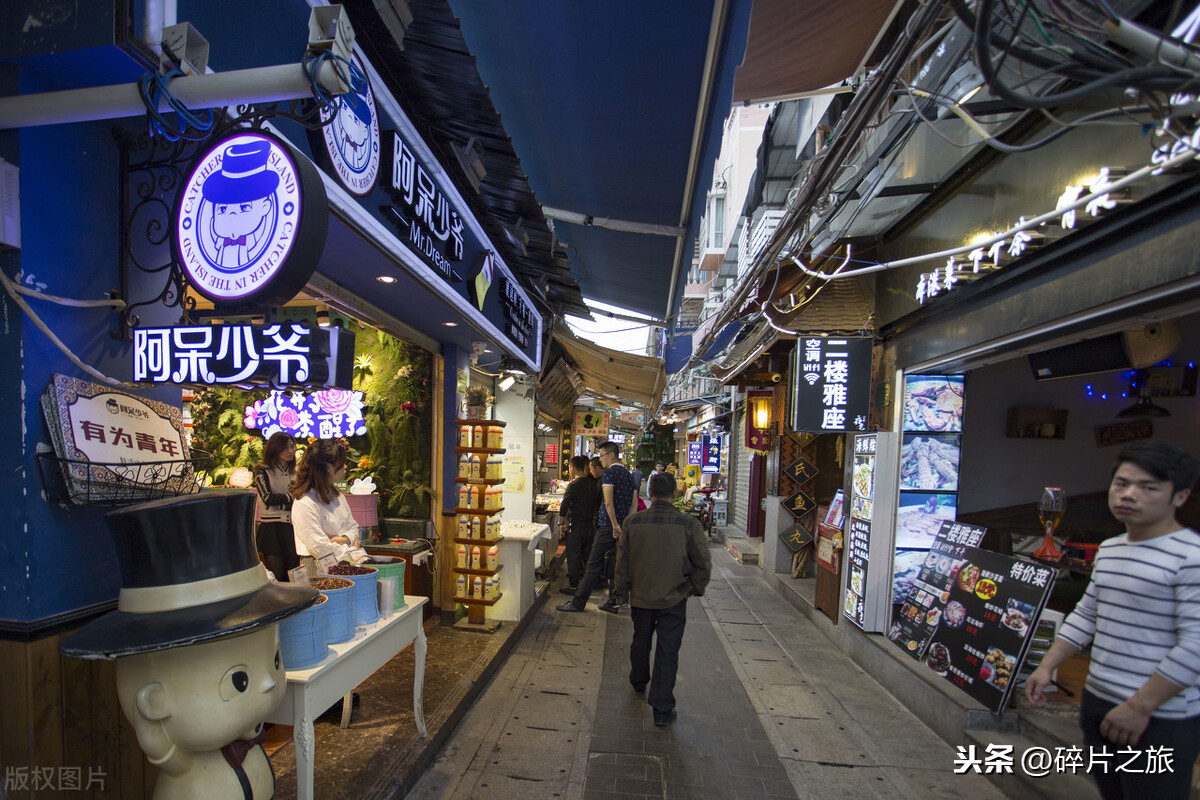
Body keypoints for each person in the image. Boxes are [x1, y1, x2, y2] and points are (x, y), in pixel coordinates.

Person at [1026, 441, 1200, 800]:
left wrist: (1140, 707)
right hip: (1099, 701)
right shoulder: (1111, 549)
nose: (1129, 495)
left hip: (1158, 716)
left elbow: (1195, 647)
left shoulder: (1191, 557)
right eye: (1122, 484)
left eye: (1148, 488)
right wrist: (1048, 666)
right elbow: (1088, 615)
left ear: (1180, 497)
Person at [614, 471, 711, 727]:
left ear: (650, 493)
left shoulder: (632, 523)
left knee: (640, 640)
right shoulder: (689, 525)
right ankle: (662, 709)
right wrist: (695, 588)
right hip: (674, 598)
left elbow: (622, 563)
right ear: (675, 494)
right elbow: (703, 563)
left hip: (642, 597)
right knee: (668, 651)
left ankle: (638, 681)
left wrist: (621, 593)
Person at [558, 441, 638, 615]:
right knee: (616, 563)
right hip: (623, 527)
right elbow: (633, 504)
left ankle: (578, 603)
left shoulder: (609, 473)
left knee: (593, 564)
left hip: (609, 526)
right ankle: (613, 601)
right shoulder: (629, 475)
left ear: (611, 455)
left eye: (601, 455)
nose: (600, 460)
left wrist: (615, 525)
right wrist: (625, 525)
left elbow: (608, 502)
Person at [290, 439, 367, 577]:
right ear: (328, 468)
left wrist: (343, 539)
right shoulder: (304, 502)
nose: (345, 467)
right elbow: (320, 548)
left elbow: (354, 527)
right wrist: (351, 552)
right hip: (317, 568)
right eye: (341, 464)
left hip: (346, 563)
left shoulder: (337, 496)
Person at [253, 432, 298, 581]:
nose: (291, 451)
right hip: (272, 529)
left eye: (292, 447)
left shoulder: (297, 472)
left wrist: (284, 501)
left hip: (293, 527)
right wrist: (291, 498)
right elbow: (268, 498)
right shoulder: (263, 470)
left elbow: (303, 497)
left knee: (294, 575)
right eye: (285, 448)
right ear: (275, 449)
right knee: (277, 577)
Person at [558, 455, 598, 594]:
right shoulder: (593, 484)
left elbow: (564, 506)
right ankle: (588, 586)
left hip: (575, 527)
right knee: (587, 556)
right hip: (590, 526)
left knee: (574, 556)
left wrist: (561, 524)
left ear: (572, 468)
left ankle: (574, 586)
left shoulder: (573, 485)